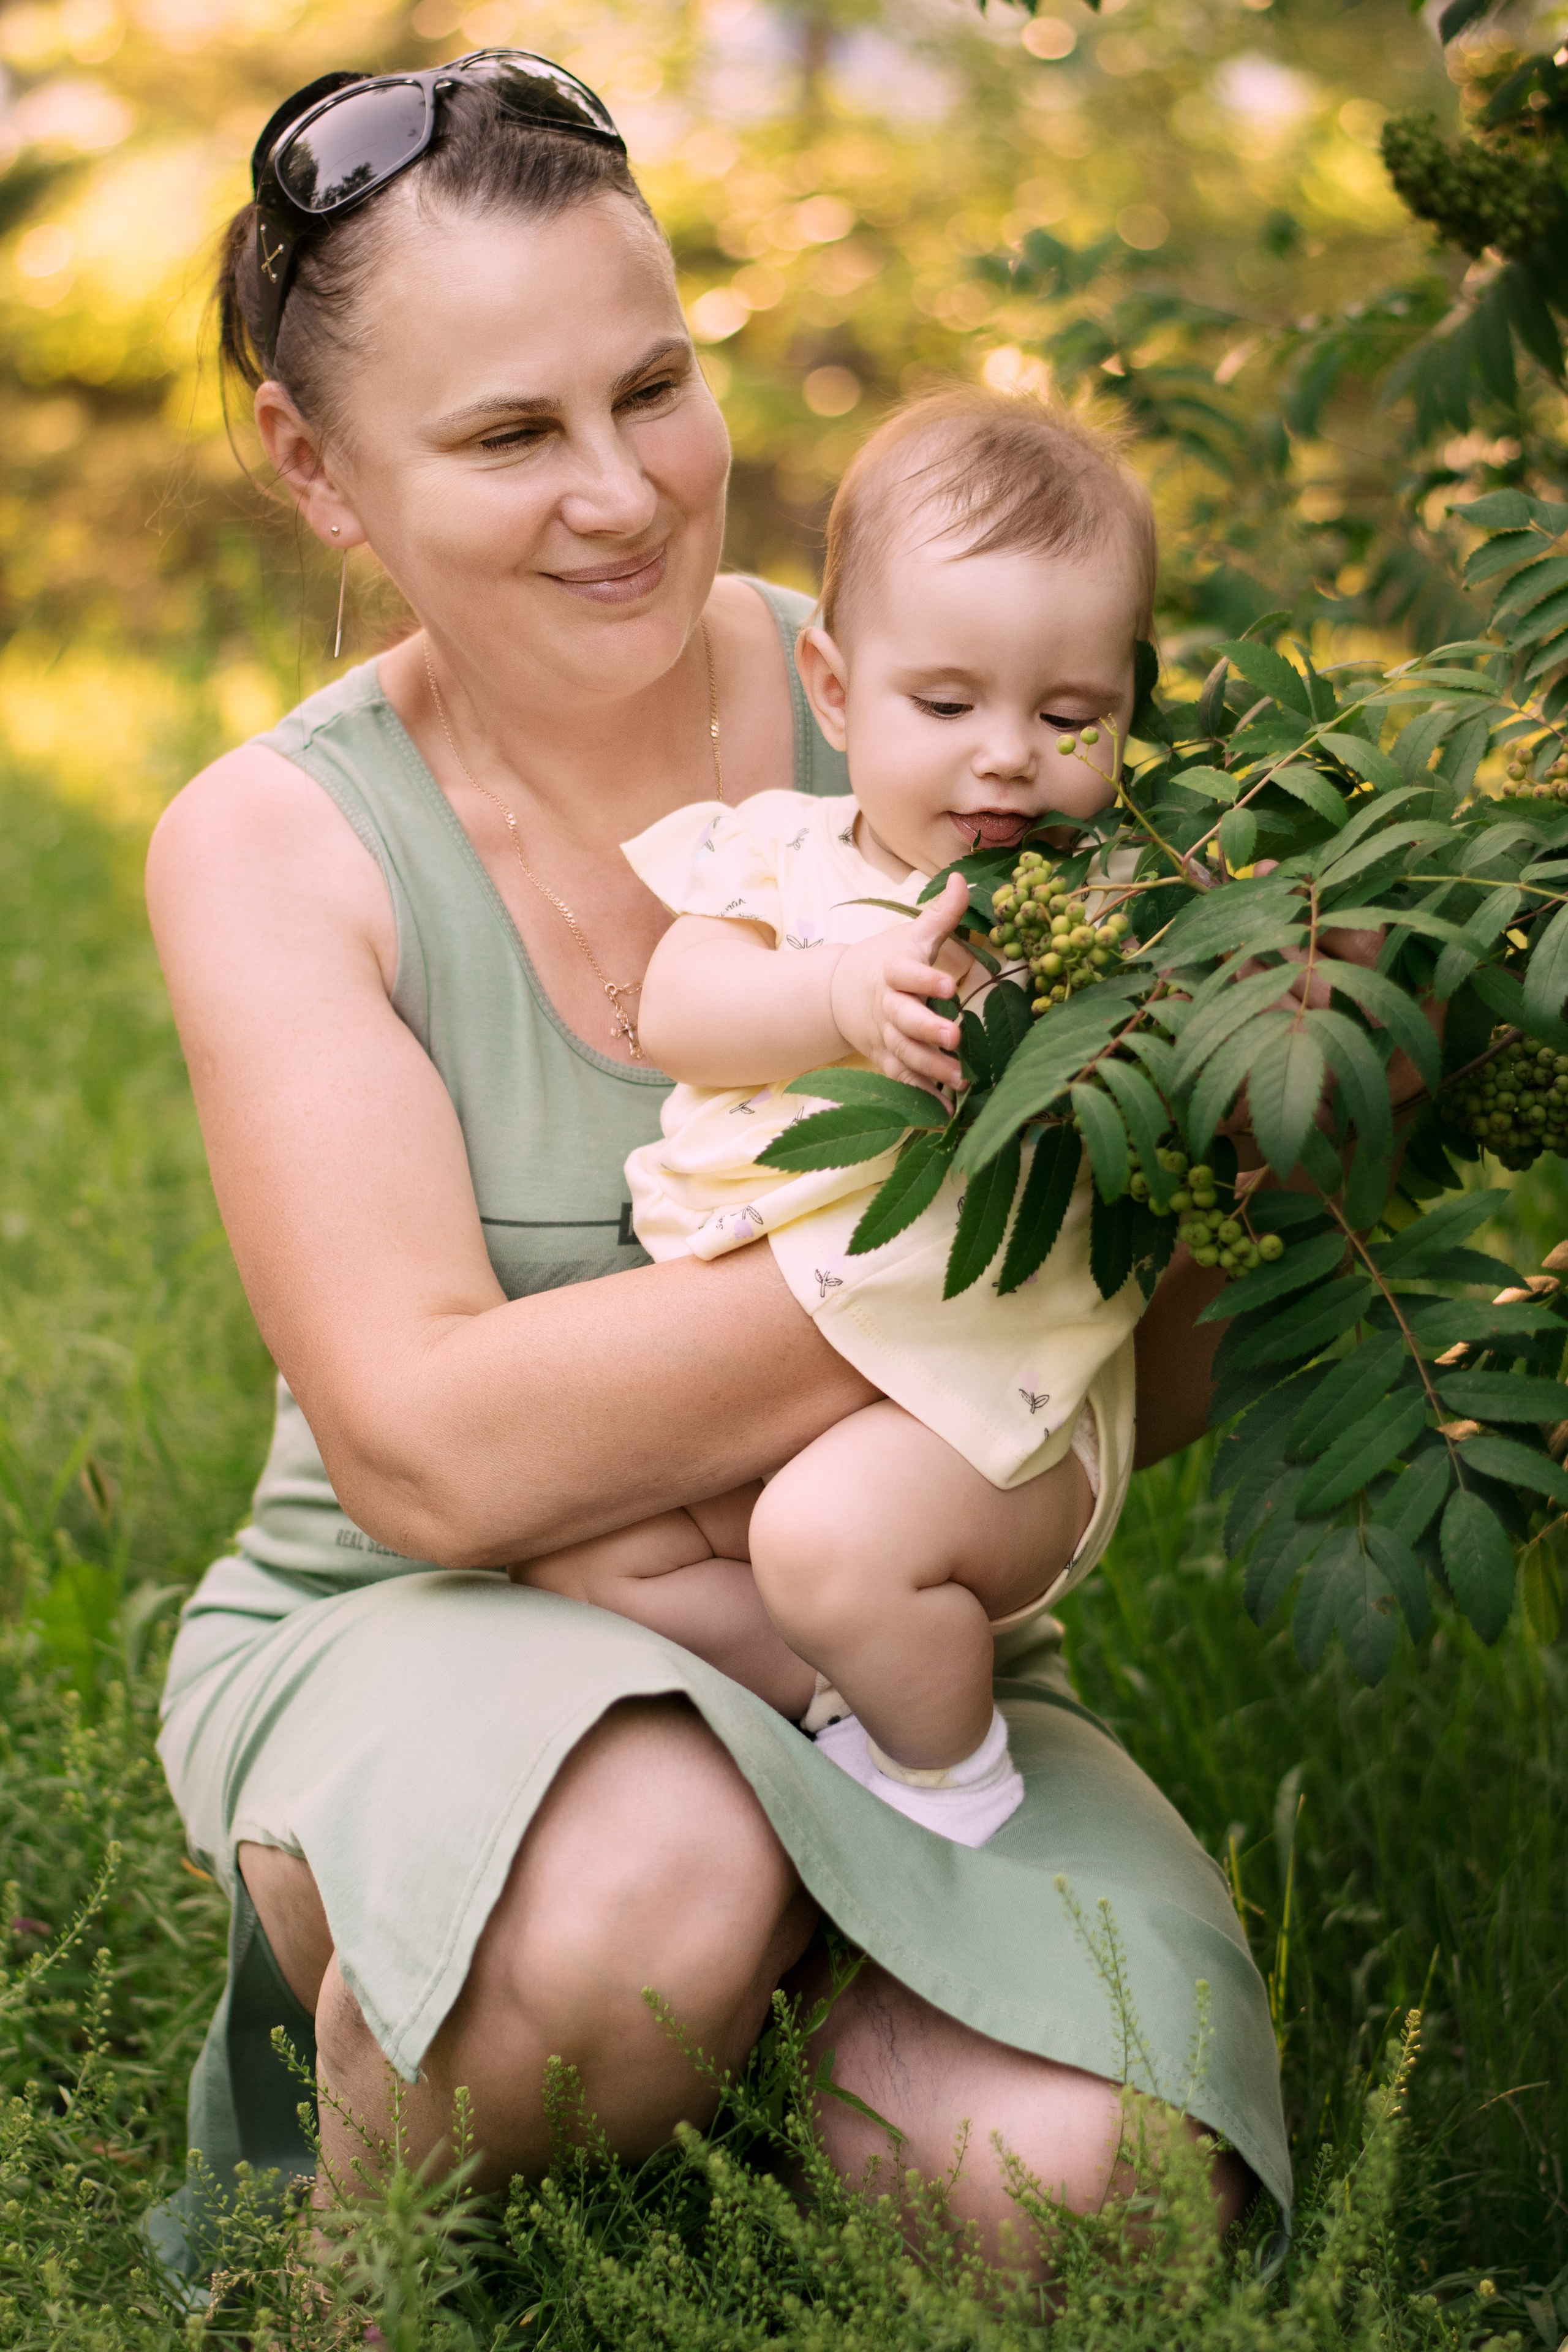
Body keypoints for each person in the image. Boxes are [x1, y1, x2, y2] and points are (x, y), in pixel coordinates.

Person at [143, 47, 1289, 2277]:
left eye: (652, 386)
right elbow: (442, 1467)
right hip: (430, 1619)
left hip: (874, 1621)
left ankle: (786, 2044)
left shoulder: (949, 704)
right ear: (318, 466)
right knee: (635, 1902)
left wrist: (1211, 1156)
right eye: (505, 436)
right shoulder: (280, 843)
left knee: (1091, 2201)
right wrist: (974, 1251)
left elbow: (1142, 1383)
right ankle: (355, 2257)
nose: (627, 495)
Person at [512, 390, 1152, 1848]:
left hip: (983, 1417)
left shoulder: (1100, 914)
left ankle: (946, 1784)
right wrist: (841, 997)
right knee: (586, 1555)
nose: (1006, 757)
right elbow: (682, 1007)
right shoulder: (779, 861)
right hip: (768, 1393)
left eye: (1069, 719)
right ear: (833, 689)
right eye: (946, 705)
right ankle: (850, 1688)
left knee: (825, 1539)